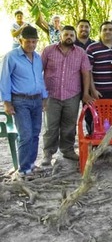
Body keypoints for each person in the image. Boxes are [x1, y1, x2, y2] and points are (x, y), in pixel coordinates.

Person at [0, 26, 48, 178]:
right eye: (28, 41)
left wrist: (44, 97)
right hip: (20, 100)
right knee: (25, 134)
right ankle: (23, 169)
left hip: (37, 100)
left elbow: (40, 79)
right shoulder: (11, 57)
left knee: (35, 133)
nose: (31, 45)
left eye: (34, 42)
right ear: (20, 40)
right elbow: (4, 80)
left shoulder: (38, 57)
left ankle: (31, 164)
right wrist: (6, 102)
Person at [41, 26, 93, 165]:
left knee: (69, 125)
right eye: (66, 34)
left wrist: (86, 93)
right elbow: (38, 70)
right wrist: (41, 93)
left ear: (75, 37)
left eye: (71, 35)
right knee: (50, 127)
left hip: (72, 95)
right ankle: (48, 154)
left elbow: (86, 73)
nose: (69, 37)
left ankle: (68, 150)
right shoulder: (48, 50)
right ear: (61, 36)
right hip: (51, 95)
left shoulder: (81, 53)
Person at [87, 21, 112, 101]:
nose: (107, 32)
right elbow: (88, 71)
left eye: (110, 29)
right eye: (104, 30)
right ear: (100, 33)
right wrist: (93, 90)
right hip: (99, 92)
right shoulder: (92, 48)